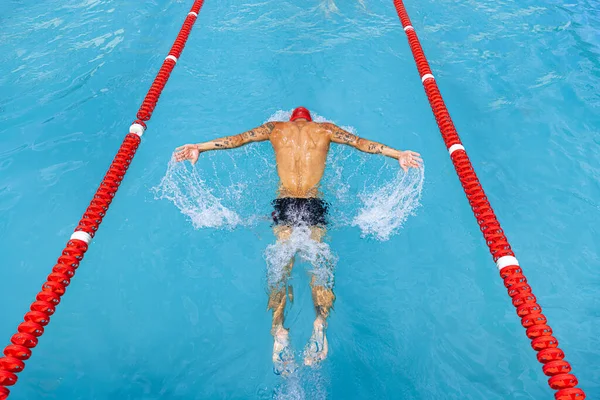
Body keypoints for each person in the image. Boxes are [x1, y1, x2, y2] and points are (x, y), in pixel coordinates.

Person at [174, 107, 422, 374]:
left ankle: (279, 329)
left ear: (291, 119)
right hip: (313, 205)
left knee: (281, 263)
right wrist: (399, 154)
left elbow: (237, 140)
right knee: (318, 263)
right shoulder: (326, 129)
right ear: (309, 120)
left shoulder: (274, 129)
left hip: (285, 205)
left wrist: (199, 147)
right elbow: (363, 144)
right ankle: (320, 322)